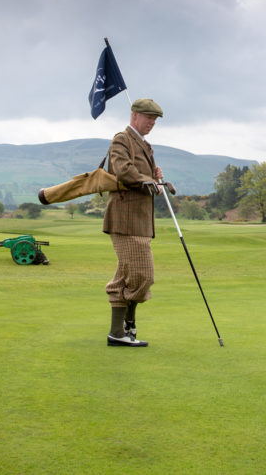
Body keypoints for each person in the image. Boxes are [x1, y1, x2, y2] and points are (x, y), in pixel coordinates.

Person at [102, 98, 165, 347]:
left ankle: (121, 331)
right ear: (134, 115)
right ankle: (122, 329)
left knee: (125, 277)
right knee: (143, 275)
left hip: (140, 221)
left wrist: (156, 178)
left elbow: (139, 174)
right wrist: (149, 182)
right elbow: (123, 170)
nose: (151, 123)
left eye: (155, 119)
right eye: (148, 117)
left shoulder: (145, 146)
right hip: (124, 219)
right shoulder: (122, 139)